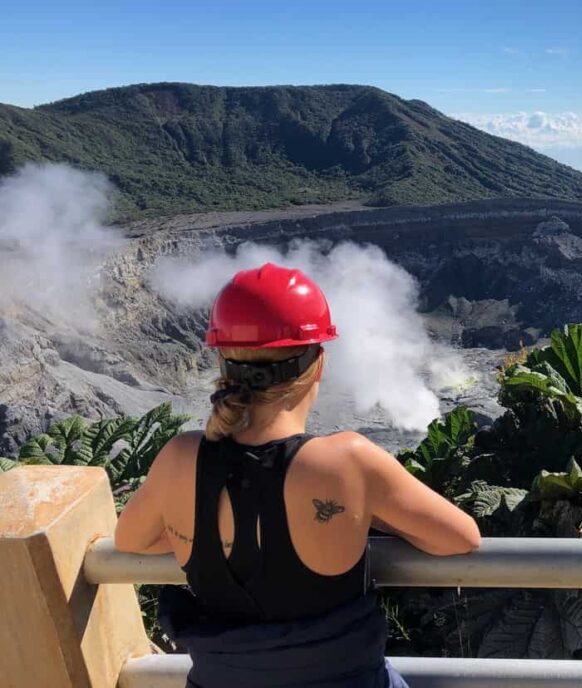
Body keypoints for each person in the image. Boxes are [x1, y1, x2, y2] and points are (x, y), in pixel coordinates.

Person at [115, 262, 481, 688]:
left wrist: (199, 535)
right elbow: (461, 538)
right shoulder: (349, 461)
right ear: (317, 364)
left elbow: (131, 541)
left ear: (222, 361)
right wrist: (361, 517)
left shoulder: (179, 458)